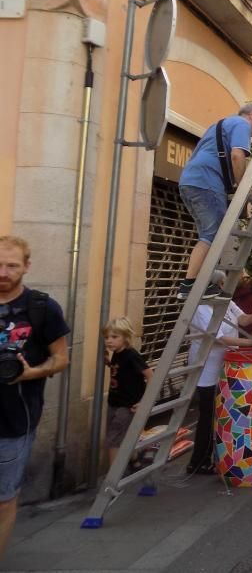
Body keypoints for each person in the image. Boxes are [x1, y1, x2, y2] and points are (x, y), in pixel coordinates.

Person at [0, 236, 69, 557]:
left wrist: (29, 373)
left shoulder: (42, 308)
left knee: (3, 500)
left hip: (13, 422)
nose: (4, 271)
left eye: (12, 265)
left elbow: (61, 359)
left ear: (26, 267)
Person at [177, 102, 252, 301]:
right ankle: (189, 285)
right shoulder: (241, 125)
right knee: (212, 235)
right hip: (207, 183)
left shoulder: (220, 125)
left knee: (208, 236)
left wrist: (249, 194)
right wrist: (247, 190)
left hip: (192, 181)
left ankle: (200, 283)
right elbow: (237, 156)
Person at [186, 271, 252, 475]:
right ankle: (198, 461)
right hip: (205, 368)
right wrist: (249, 343)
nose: (223, 287)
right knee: (208, 414)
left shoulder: (225, 301)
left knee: (220, 413)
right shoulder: (201, 308)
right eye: (220, 283)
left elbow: (243, 319)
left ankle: (214, 456)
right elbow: (219, 339)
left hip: (225, 364)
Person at [103, 317, 153, 470]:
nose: (109, 341)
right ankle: (135, 460)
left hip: (128, 405)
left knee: (114, 439)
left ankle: (112, 478)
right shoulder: (117, 353)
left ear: (125, 337)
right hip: (115, 402)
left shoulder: (131, 355)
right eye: (107, 337)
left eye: (114, 337)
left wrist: (145, 401)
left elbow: (150, 375)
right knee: (120, 435)